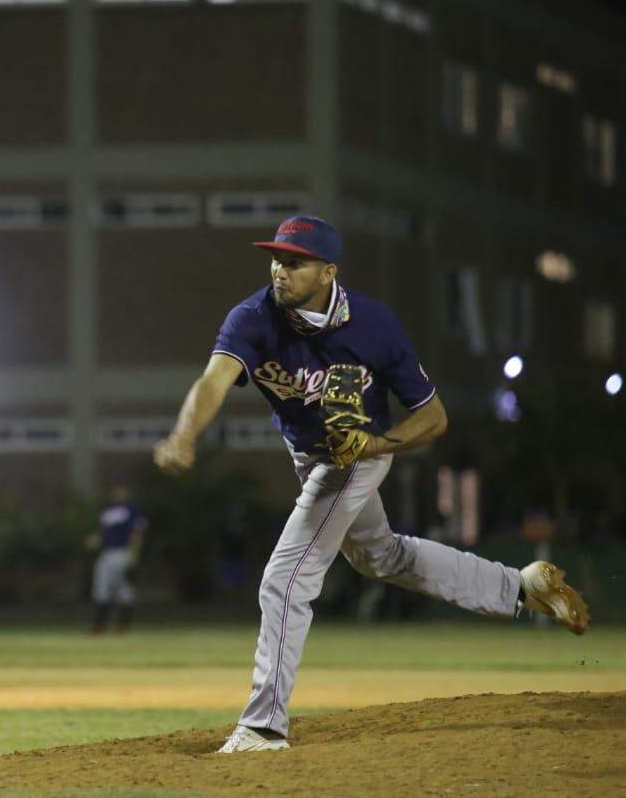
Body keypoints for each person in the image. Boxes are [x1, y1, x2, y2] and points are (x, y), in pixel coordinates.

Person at [152, 216, 589, 753]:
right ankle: (520, 588)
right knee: (381, 557)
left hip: (356, 457)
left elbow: (433, 418)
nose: (279, 270)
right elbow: (213, 380)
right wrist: (183, 434)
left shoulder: (375, 327)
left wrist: (378, 446)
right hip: (308, 456)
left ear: (328, 271)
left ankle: (264, 726)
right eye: (275, 258)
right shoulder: (253, 317)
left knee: (286, 578)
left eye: (295, 261)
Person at [88, 485, 147, 634]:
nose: (119, 493)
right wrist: (95, 539)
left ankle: (122, 626)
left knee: (126, 590)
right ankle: (99, 626)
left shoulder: (133, 509)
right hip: (107, 553)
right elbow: (102, 531)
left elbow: (137, 534)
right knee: (101, 589)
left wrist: (134, 556)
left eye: (123, 490)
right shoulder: (107, 510)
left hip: (124, 552)